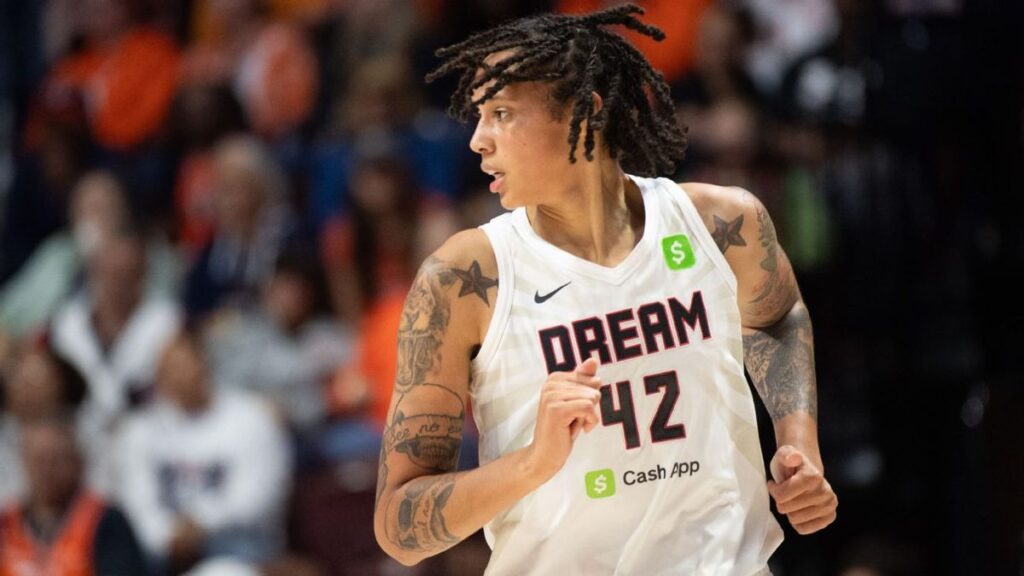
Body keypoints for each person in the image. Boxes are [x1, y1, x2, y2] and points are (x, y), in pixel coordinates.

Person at [373, 5, 837, 575]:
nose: (477, 141)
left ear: (586, 112)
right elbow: (400, 527)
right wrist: (531, 464)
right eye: (478, 116)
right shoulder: (465, 278)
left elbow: (778, 315)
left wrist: (798, 444)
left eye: (501, 113)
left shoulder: (722, 224)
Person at [116, 330, 291, 576]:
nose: (179, 377)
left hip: (238, 547)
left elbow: (259, 497)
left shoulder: (251, 417)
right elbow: (137, 501)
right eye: (169, 369)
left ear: (204, 363)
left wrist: (201, 524)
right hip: (164, 551)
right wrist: (167, 536)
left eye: (185, 366)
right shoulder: (141, 430)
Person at [0, 417, 148, 576]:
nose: (46, 470)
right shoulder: (6, 524)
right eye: (38, 460)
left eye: (56, 460)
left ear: (78, 463)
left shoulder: (105, 521)